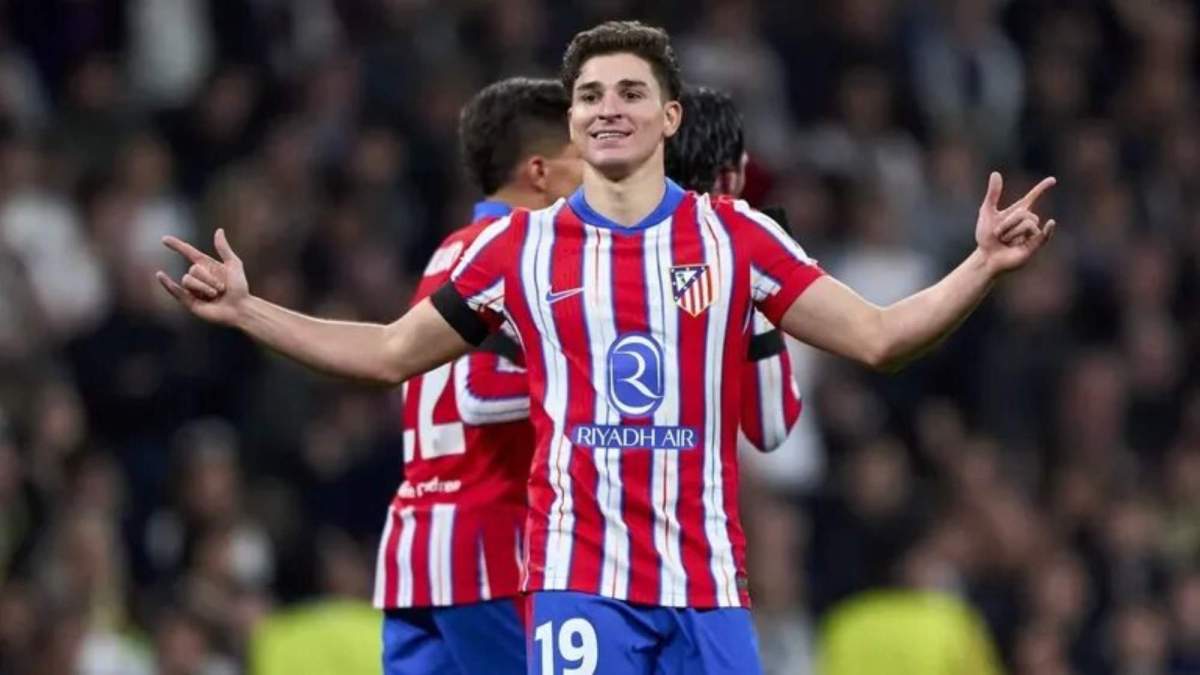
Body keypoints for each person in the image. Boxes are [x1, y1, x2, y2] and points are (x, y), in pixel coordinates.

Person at [157, 21, 1057, 674]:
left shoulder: (736, 237)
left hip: (707, 583)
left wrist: (979, 264)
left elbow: (878, 336)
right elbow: (391, 351)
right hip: (579, 583)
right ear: (574, 124)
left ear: (669, 116)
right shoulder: (518, 249)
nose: (607, 109)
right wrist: (249, 310)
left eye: (629, 93)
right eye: (590, 96)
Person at [665, 84, 803, 455]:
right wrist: (765, 296)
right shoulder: (741, 256)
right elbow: (770, 426)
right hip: (692, 482)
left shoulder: (592, 243)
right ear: (728, 180)